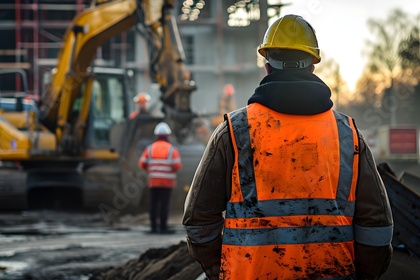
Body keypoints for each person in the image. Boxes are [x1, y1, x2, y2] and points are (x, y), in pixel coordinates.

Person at [182, 14, 393, 280]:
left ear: (267, 66)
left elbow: (198, 222)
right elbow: (377, 225)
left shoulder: (234, 131)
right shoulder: (347, 134)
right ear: (312, 67)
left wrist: (222, 270)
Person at [139, 122, 182, 233]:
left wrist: (151, 170)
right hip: (167, 182)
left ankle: (153, 226)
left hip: (154, 181)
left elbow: (142, 163)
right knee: (164, 204)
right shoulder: (172, 150)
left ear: (156, 135)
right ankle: (163, 227)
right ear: (168, 135)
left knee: (153, 204)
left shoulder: (150, 148)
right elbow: (177, 165)